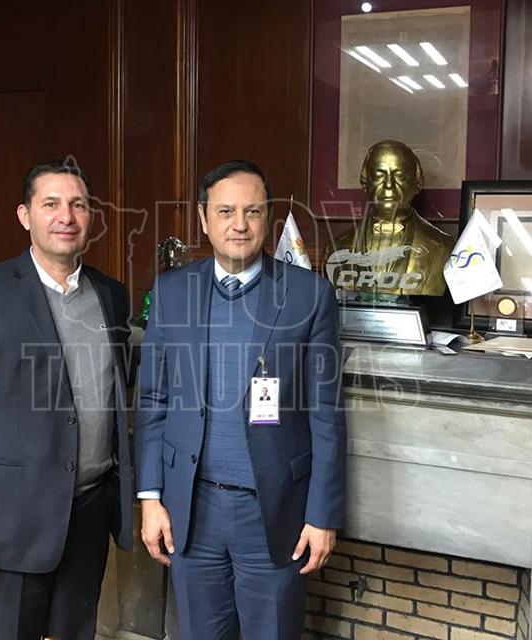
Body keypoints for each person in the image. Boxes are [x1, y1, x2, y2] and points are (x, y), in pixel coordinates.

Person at [135, 160, 346, 639]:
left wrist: (322, 515)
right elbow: (153, 401)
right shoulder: (172, 291)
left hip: (273, 513)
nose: (239, 224)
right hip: (191, 511)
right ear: (203, 218)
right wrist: (150, 498)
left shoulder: (309, 296)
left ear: (268, 217)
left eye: (252, 211)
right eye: (225, 211)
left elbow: (327, 416)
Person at [0, 157, 133, 640]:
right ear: (25, 215)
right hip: (8, 526)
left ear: (91, 217)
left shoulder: (111, 295)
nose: (66, 216)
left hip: (88, 514)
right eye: (51, 204)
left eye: (78, 205)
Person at [322, 139, 453, 297]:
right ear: (365, 183)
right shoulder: (335, 248)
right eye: (379, 176)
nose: (389, 185)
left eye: (400, 176)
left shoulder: (444, 248)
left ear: (417, 184)